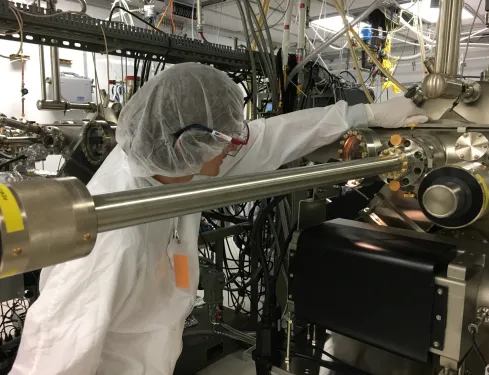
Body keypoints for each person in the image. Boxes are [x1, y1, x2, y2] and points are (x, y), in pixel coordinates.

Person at [10, 63, 427, 375]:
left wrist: (362, 117)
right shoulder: (113, 234)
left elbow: (265, 139)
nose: (233, 150)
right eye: (224, 141)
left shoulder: (172, 166)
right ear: (187, 141)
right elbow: (51, 355)